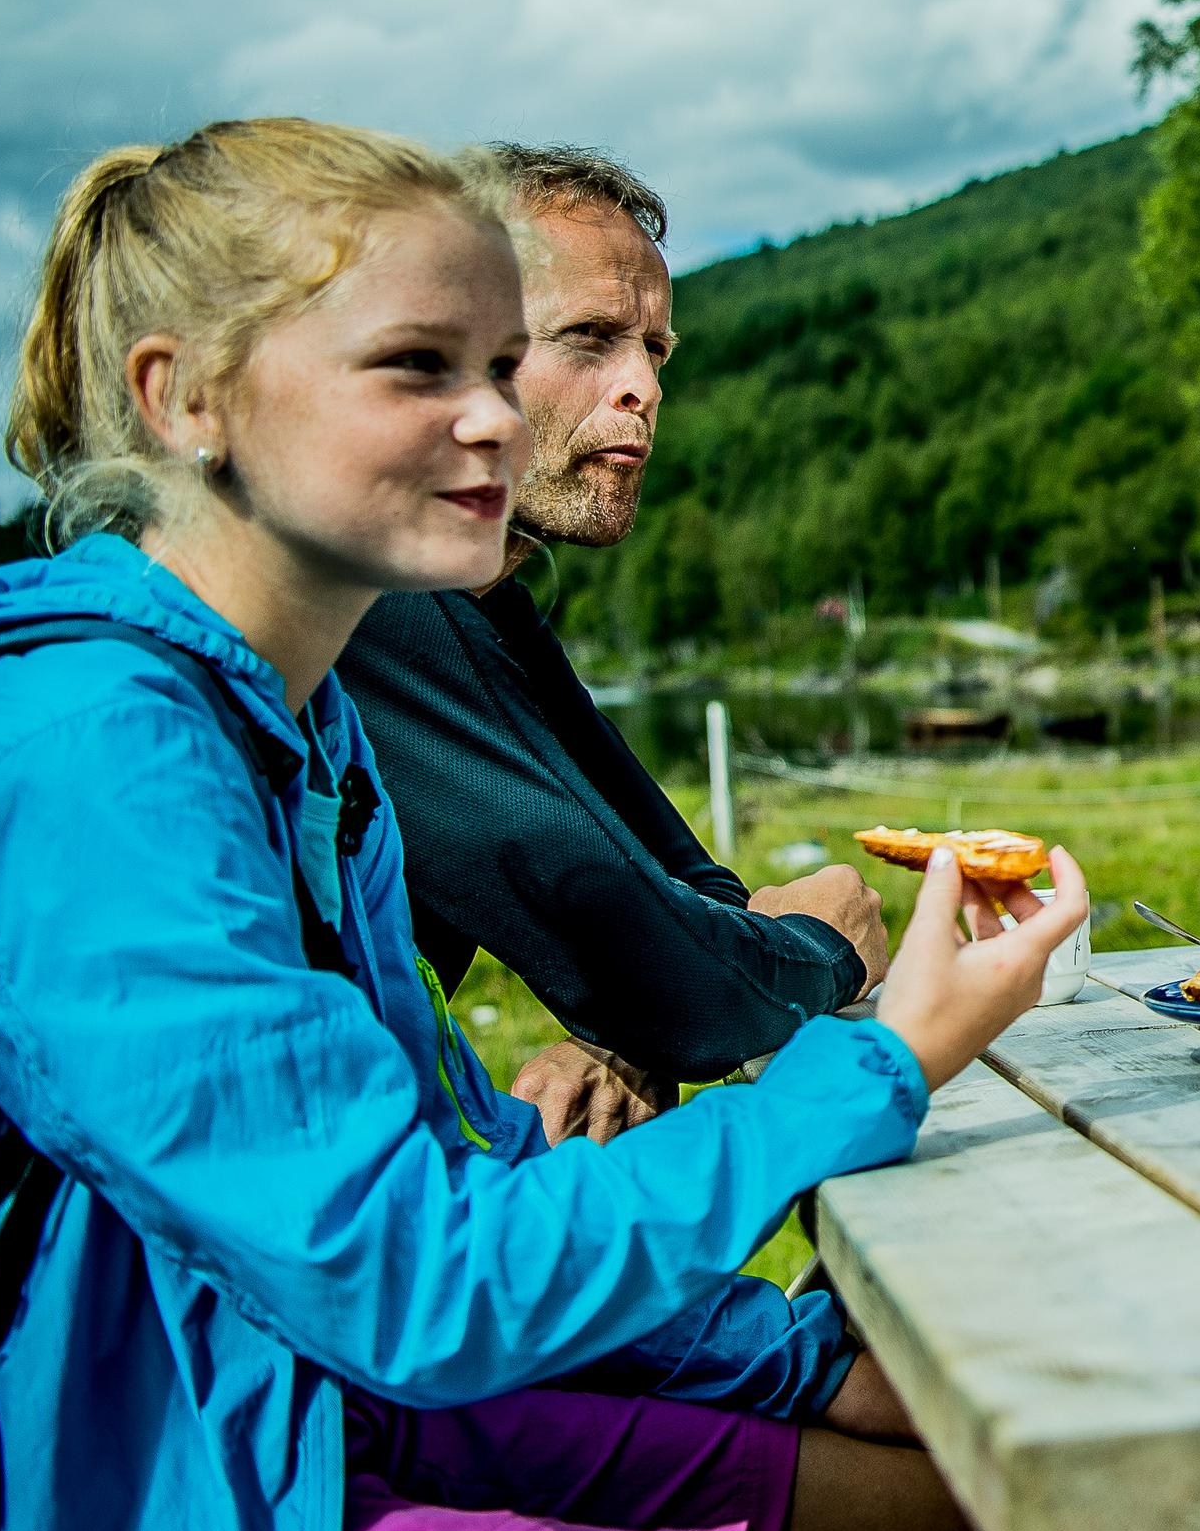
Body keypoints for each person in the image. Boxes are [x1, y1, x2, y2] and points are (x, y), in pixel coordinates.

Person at [0, 120, 1091, 1531]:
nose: (497, 418)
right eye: (419, 366)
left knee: (988, 1512)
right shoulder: (83, 754)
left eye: (502, 359)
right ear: (181, 399)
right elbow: (410, 1279)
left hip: (299, 1422)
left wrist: (783, 1355)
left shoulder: (301, 719)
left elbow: (453, 1167)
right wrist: (881, 1058)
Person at [341, 144, 885, 1142]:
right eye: (590, 338)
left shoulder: (480, 602)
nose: (642, 386)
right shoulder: (373, 598)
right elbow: (674, 974)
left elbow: (682, 896)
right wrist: (821, 944)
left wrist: (632, 1030)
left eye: (656, 350)